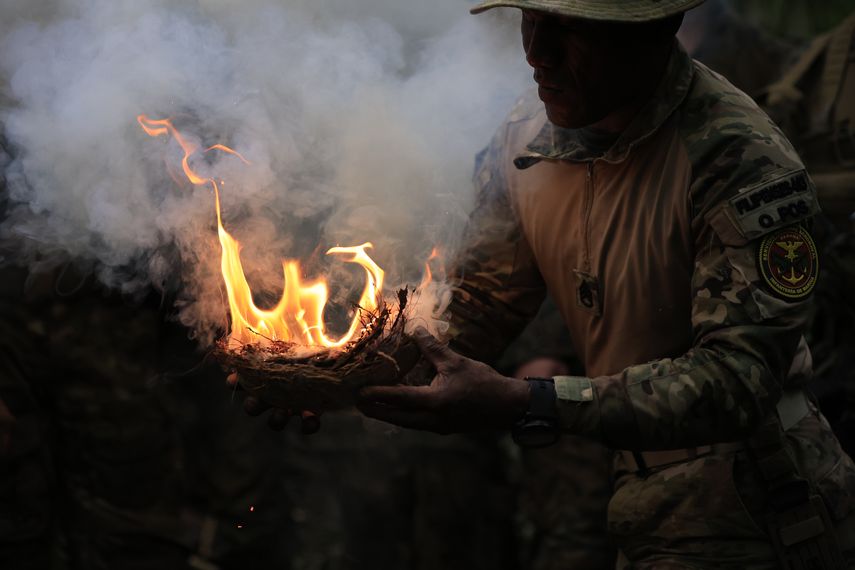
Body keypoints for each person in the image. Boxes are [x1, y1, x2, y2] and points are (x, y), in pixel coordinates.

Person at [348, 0, 855, 567]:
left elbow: (736, 381)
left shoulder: (740, 161)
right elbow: (481, 301)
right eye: (531, 21)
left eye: (571, 29)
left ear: (655, 31)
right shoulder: (526, 138)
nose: (537, 54)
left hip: (756, 508)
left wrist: (530, 401)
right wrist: (341, 373)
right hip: (637, 498)